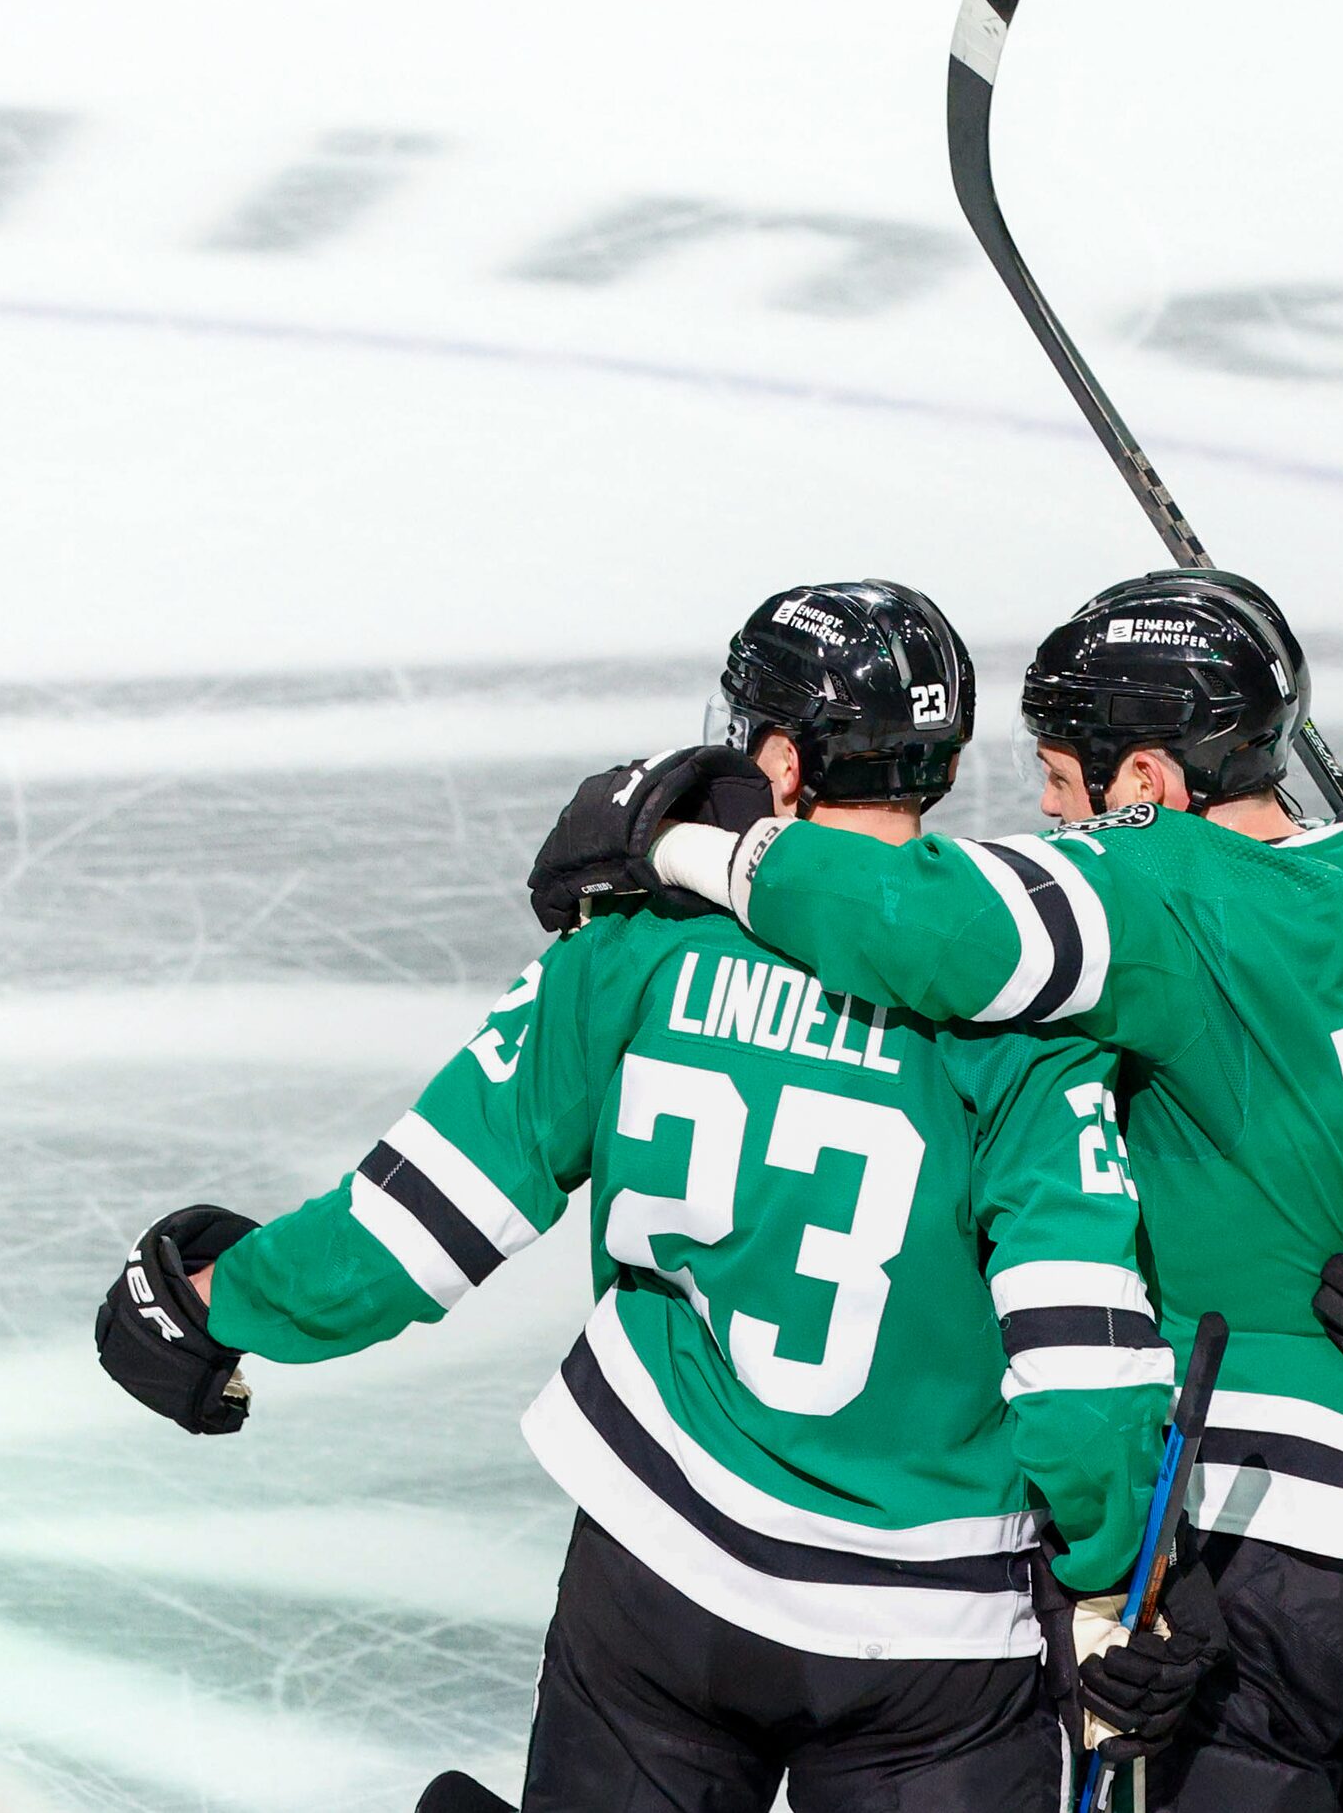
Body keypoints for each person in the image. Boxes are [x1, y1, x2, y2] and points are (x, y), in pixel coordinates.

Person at [98, 581, 1209, 1812]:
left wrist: (214, 1307)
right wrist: (1116, 1574)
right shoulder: (1024, 1007)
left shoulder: (631, 951)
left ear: (779, 761)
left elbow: (412, 1232)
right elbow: (1083, 1349)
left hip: (662, 1575)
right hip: (938, 1633)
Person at [533, 568, 1343, 1810]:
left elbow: (916, 921)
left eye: (1059, 783)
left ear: (1147, 786)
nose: (1051, 819)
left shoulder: (1153, 889)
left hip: (1265, 1557)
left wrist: (683, 839)